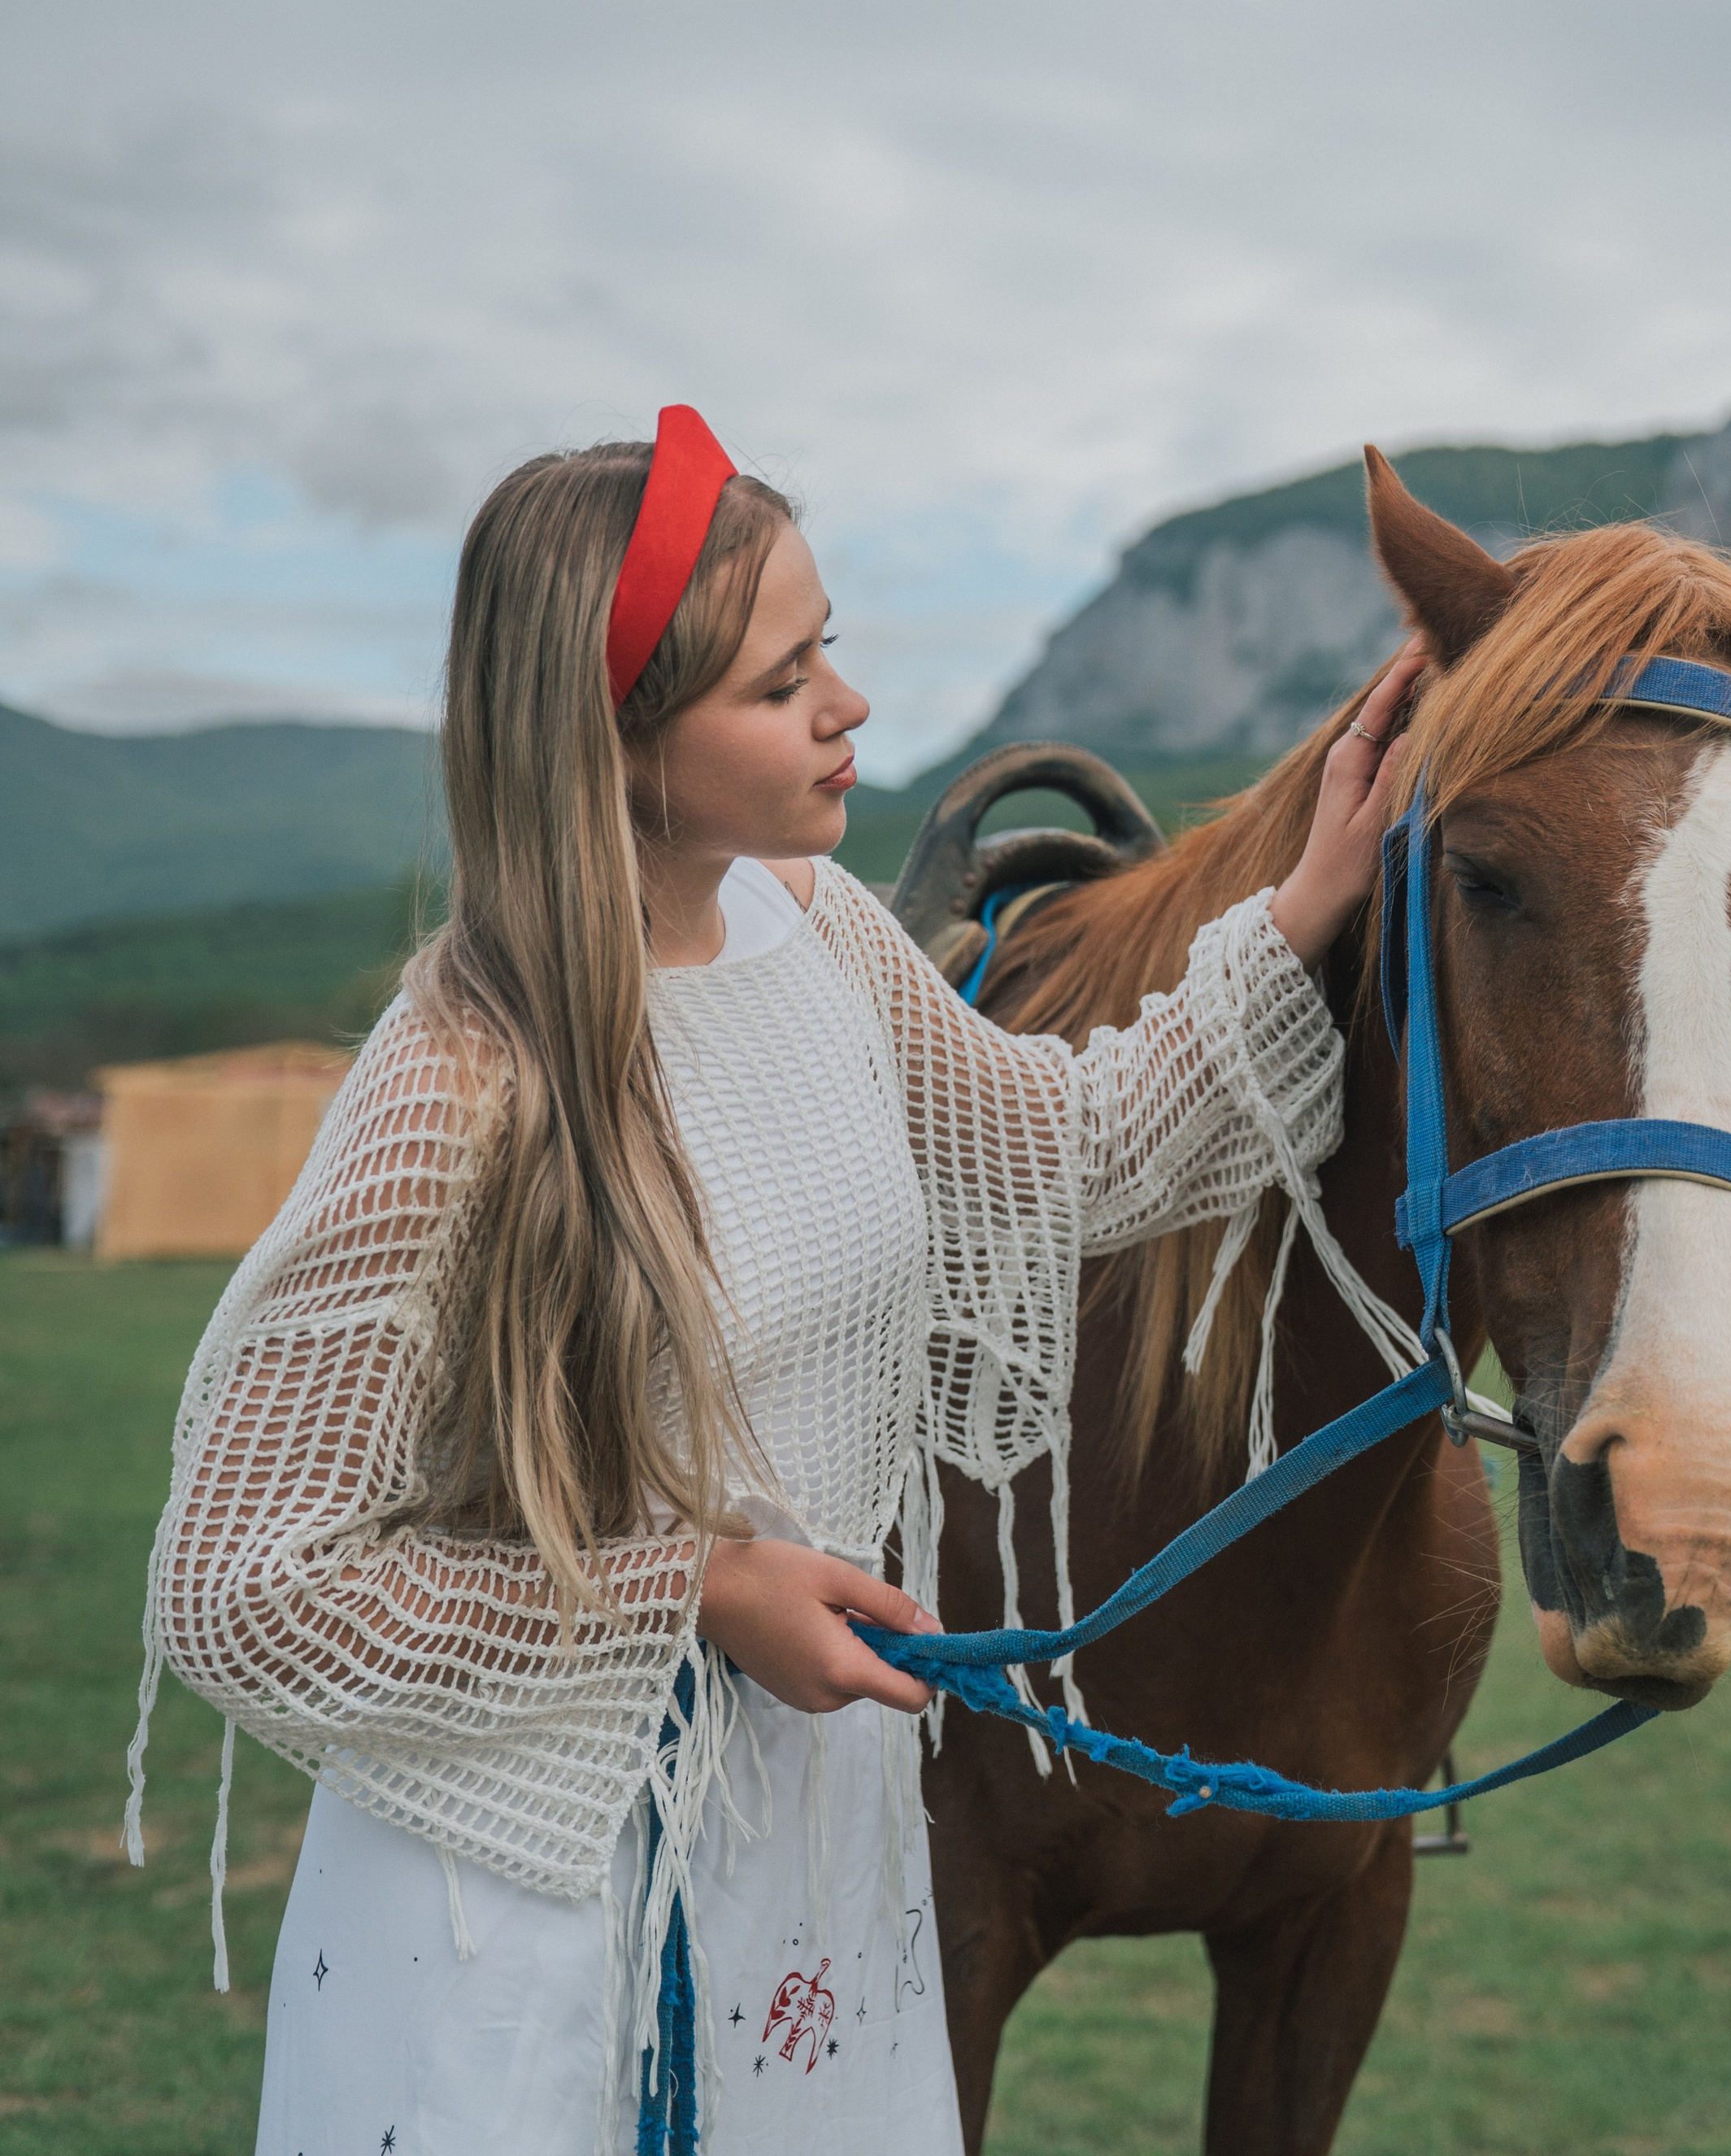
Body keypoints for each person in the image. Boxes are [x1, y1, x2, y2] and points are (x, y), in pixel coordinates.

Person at [125, 407, 1419, 2156]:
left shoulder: (815, 927)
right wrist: (694, 1593)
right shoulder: (458, 1088)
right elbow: (239, 1591)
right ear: (615, 740)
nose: (847, 705)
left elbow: (1069, 1151)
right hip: (537, 1913)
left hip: (811, 1861)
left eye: (830, 648)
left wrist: (1311, 891)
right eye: (778, 680)